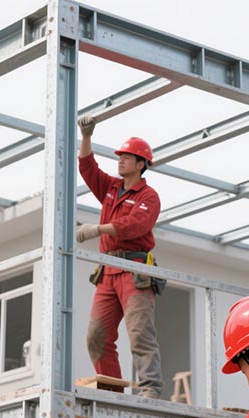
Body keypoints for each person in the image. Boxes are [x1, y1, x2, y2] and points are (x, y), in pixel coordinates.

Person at [75, 115, 163, 399]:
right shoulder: (112, 189)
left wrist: (96, 228)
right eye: (120, 156)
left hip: (134, 270)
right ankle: (112, 389)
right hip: (108, 271)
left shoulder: (148, 196)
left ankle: (150, 388)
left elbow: (134, 226)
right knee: (96, 337)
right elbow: (88, 169)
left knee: (140, 335)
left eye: (127, 157)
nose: (121, 161)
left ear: (141, 164)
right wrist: (87, 136)